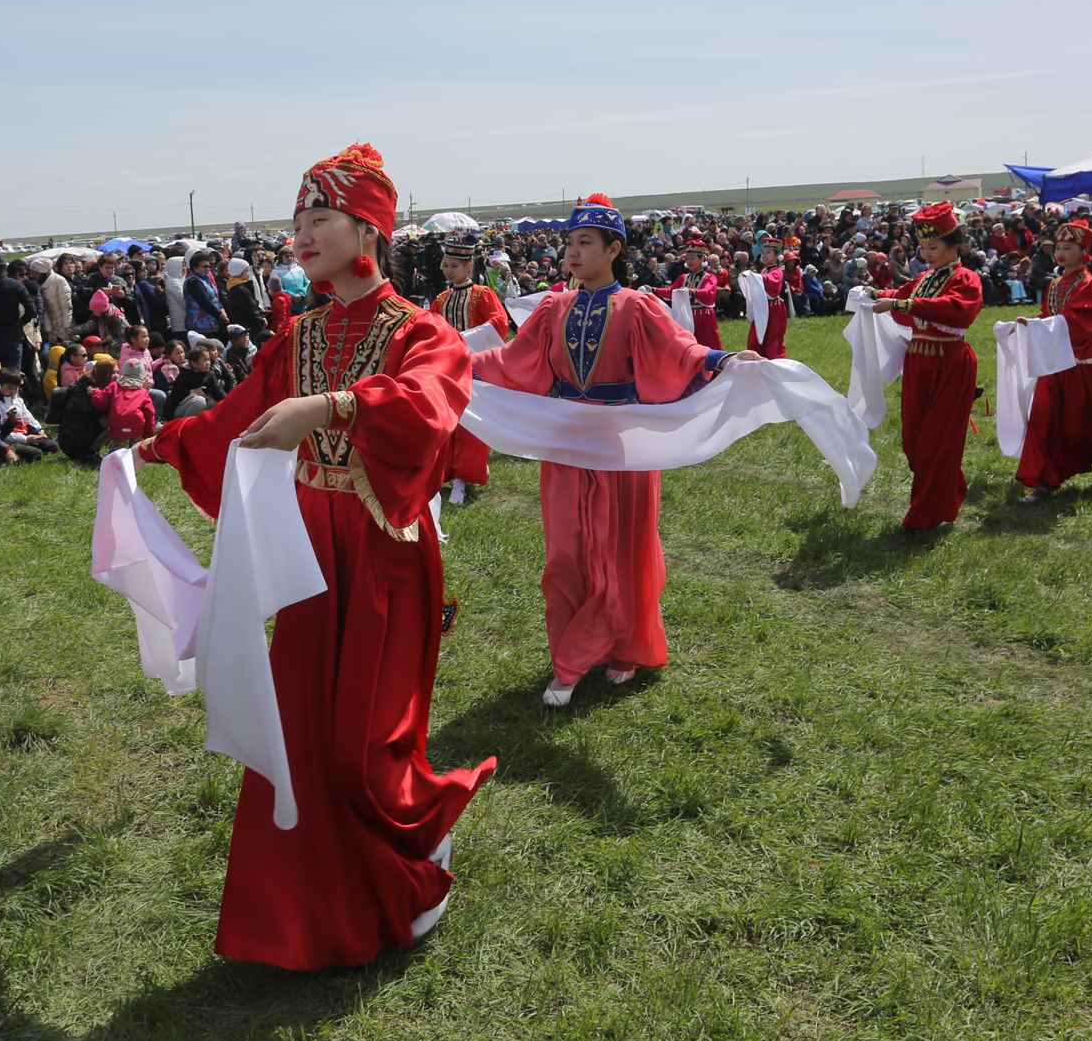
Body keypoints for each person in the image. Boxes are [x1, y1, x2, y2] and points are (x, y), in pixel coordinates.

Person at [135, 142, 495, 969]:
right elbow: (236, 417)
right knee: (300, 730)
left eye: (320, 217)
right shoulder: (298, 335)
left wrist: (331, 407)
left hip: (384, 553)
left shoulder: (424, 332)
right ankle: (302, 916)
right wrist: (161, 444)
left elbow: (427, 404)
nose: (299, 233)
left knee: (366, 742)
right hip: (307, 558)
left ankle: (414, 849)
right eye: (296, 219)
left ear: (370, 229)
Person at [472, 195, 739, 708]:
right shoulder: (552, 308)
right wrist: (458, 362)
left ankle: (614, 648)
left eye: (585, 243)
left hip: (620, 446)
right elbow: (511, 360)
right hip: (567, 443)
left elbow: (679, 353)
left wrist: (720, 359)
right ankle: (576, 650)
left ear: (613, 249)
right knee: (567, 550)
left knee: (622, 546)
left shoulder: (638, 306)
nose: (572, 253)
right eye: (569, 243)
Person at [870, 203, 985, 531]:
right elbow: (901, 295)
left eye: (933, 247)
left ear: (954, 246)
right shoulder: (925, 278)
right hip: (918, 363)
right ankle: (949, 489)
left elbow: (954, 309)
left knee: (936, 441)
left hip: (950, 363)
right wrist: (875, 294)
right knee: (915, 442)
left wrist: (900, 303)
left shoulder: (967, 279)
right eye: (922, 248)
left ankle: (925, 517)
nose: (926, 254)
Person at [1014, 221, 1092, 501]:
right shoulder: (1055, 283)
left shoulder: (1090, 286)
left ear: (1084, 253)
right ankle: (1045, 479)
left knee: (1087, 421)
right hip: (1054, 363)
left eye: (1068, 248)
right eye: (1058, 247)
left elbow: (1079, 325)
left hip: (1081, 366)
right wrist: (1031, 322)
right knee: (1046, 419)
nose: (1061, 253)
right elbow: (1050, 316)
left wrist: (1040, 326)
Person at [431, 232, 510, 500]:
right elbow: (429, 328)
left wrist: (463, 339)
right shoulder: (441, 299)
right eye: (446, 265)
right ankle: (446, 472)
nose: (448, 270)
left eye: (454, 266)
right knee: (446, 421)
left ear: (468, 267)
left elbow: (498, 323)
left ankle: (464, 475)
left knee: (470, 424)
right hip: (447, 367)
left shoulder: (482, 294)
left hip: (474, 367)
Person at [654, 233, 722, 351]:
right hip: (686, 316)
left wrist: (691, 292)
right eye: (687, 258)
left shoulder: (709, 277)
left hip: (704, 317)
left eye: (692, 258)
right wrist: (654, 290)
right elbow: (671, 292)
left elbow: (708, 293)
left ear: (702, 259)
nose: (689, 261)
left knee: (707, 347)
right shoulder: (683, 277)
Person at [92, 357, 157, 443]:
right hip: (136, 430)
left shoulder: (114, 385)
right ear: (142, 375)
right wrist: (149, 434)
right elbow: (150, 413)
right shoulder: (143, 392)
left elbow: (100, 403)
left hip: (116, 429)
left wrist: (95, 392)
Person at [747, 239, 790, 358]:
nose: (764, 255)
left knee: (772, 335)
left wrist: (756, 277)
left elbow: (773, 283)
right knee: (758, 335)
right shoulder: (764, 270)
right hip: (763, 307)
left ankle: (774, 360)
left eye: (768, 252)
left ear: (777, 256)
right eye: (763, 252)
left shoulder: (777, 271)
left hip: (773, 309)